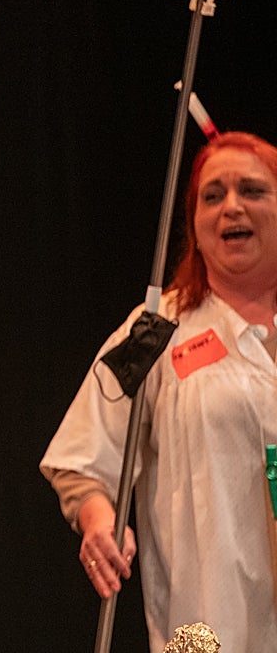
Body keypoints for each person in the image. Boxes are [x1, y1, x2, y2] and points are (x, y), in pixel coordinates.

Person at [41, 130, 277, 652]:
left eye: (252, 191)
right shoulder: (155, 330)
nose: (231, 207)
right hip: (209, 625)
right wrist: (99, 520)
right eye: (212, 196)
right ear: (193, 222)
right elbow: (81, 456)